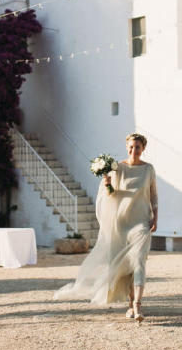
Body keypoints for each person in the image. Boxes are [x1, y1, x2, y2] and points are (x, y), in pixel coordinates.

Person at [54, 132, 159, 322]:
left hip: (141, 222)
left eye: (137, 147)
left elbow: (153, 195)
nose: (133, 150)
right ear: (126, 146)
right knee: (124, 266)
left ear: (143, 149)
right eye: (130, 146)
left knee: (139, 261)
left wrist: (155, 218)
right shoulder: (117, 168)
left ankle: (138, 305)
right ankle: (130, 303)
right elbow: (110, 194)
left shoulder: (149, 169)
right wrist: (108, 184)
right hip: (121, 223)